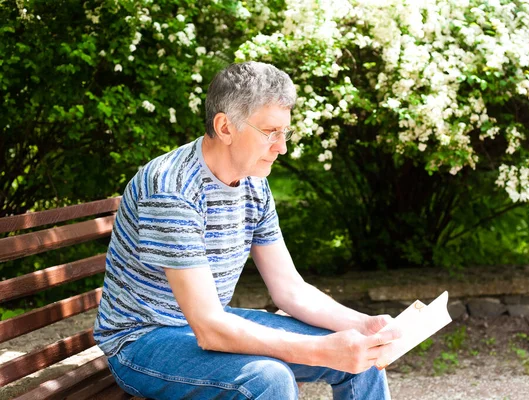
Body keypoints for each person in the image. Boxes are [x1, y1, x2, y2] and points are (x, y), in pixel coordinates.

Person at [94, 61, 400, 400]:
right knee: (268, 378)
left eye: (286, 132)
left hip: (206, 323)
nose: (282, 147)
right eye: (271, 132)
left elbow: (290, 290)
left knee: (364, 356)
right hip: (142, 341)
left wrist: (361, 326)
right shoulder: (172, 190)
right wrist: (322, 350)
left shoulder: (253, 183)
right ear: (225, 127)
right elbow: (210, 328)